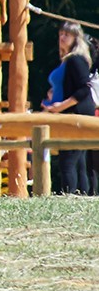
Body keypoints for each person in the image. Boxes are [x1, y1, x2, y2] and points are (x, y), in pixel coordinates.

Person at [40, 20, 95, 195]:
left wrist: (60, 106)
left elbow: (84, 90)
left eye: (67, 35)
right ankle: (82, 195)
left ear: (75, 38)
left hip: (76, 113)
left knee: (68, 160)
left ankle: (68, 195)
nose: (62, 38)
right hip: (70, 112)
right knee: (78, 162)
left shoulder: (76, 60)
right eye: (61, 34)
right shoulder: (67, 60)